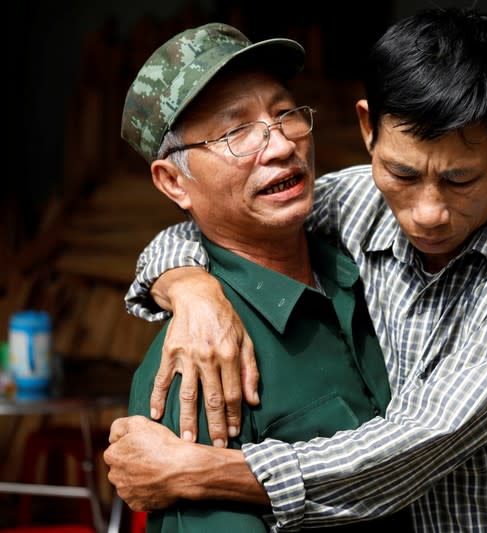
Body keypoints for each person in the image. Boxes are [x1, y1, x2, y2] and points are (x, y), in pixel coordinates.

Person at [105, 7, 487, 532]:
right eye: (403, 172)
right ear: (368, 128)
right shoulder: (363, 203)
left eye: (461, 181)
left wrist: (209, 471)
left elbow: (418, 444)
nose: (428, 212)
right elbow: (238, 217)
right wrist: (188, 286)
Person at [113, 22, 415, 531]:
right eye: (237, 132)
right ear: (173, 182)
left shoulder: (379, 262)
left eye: (284, 114)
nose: (278, 146)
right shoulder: (198, 366)